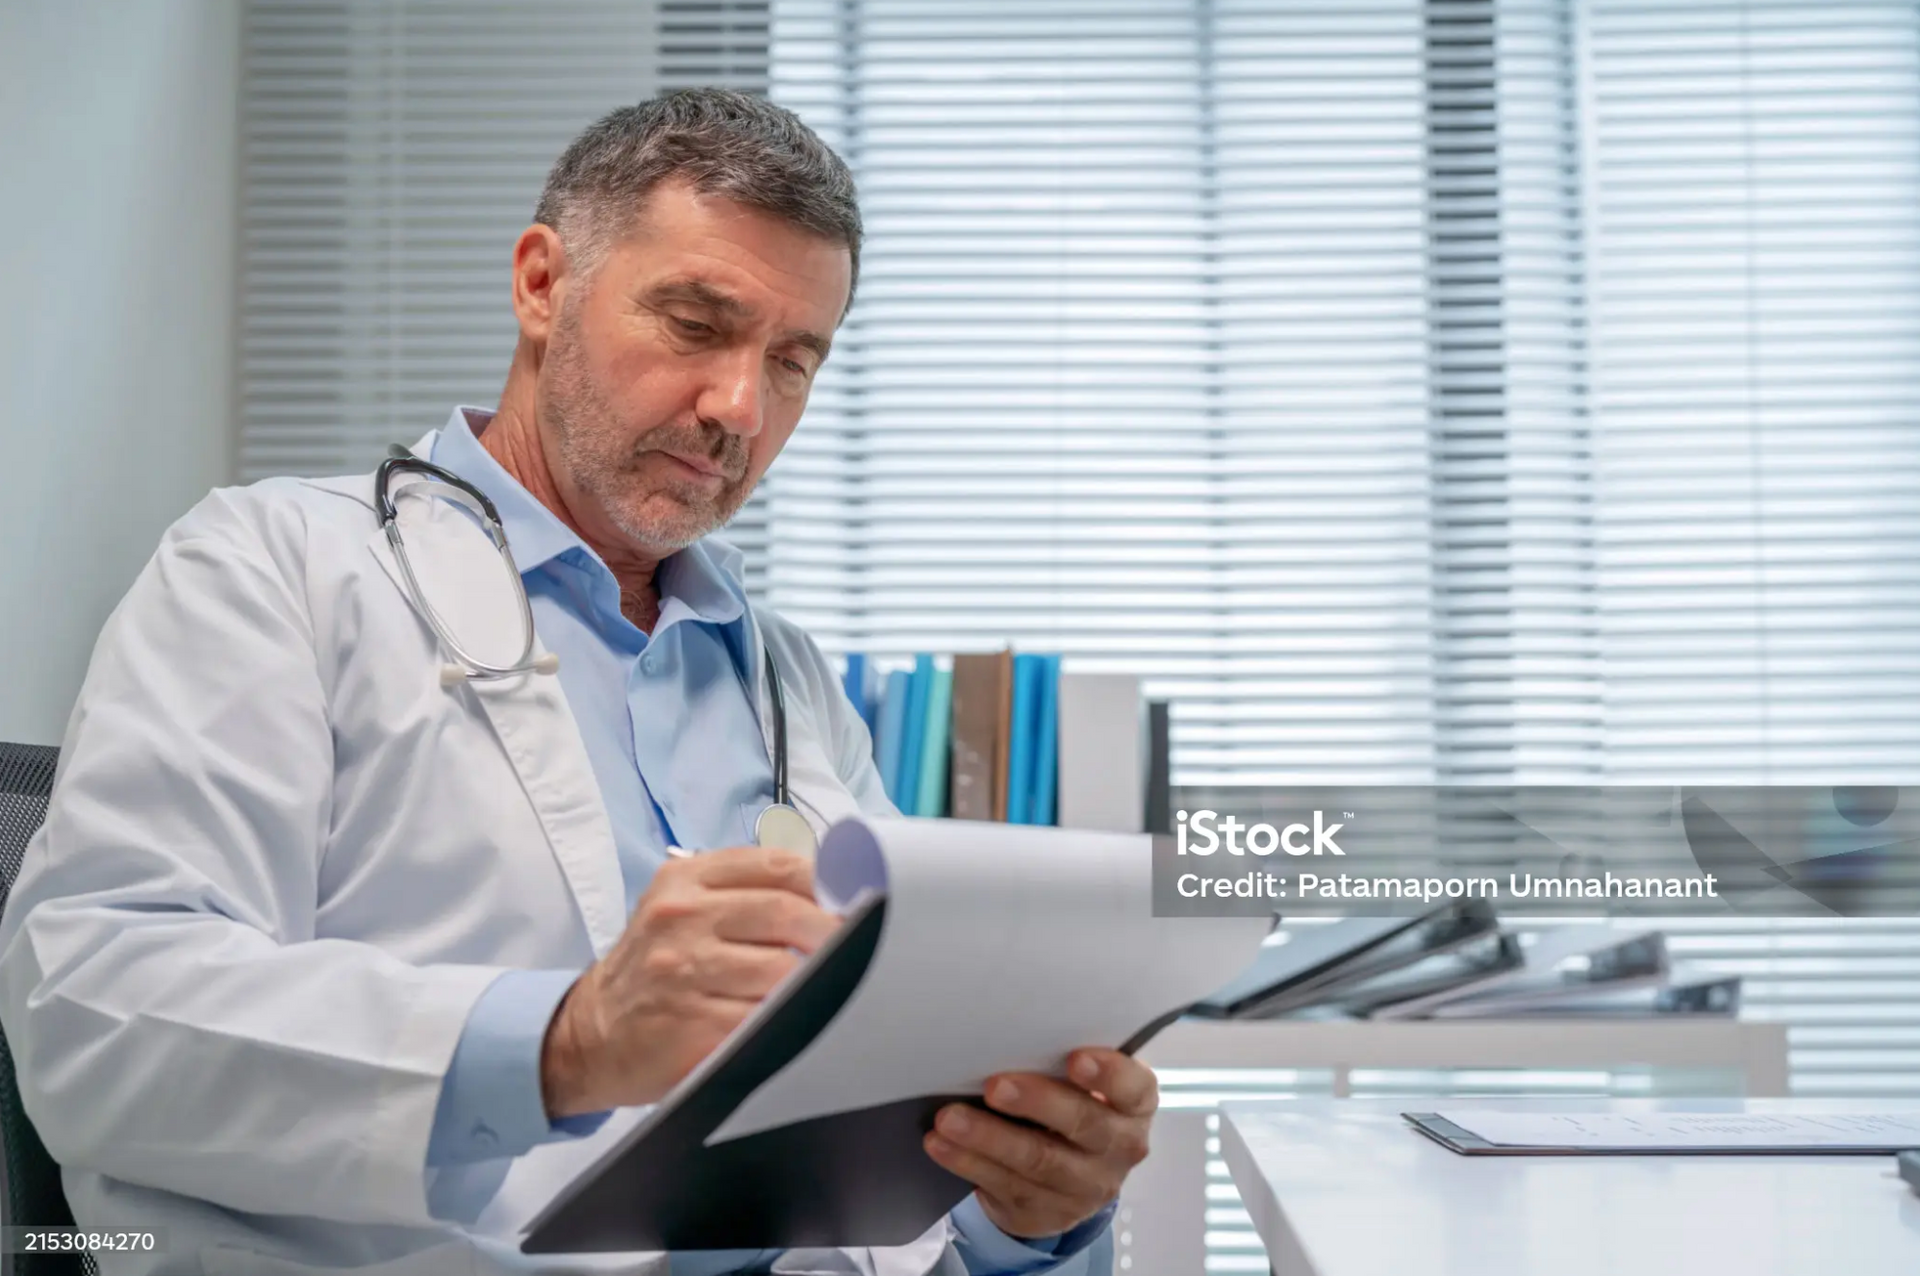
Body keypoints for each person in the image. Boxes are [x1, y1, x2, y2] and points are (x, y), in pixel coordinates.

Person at [0, 90, 1153, 1275]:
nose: (739, 410)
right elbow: (95, 1009)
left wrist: (1026, 1211)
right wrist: (564, 1042)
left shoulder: (785, 681)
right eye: (698, 323)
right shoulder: (274, 569)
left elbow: (892, 1120)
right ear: (543, 284)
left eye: (793, 361)